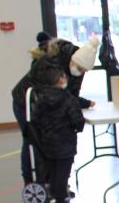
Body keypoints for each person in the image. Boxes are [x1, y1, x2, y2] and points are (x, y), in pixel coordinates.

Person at [11, 37, 96, 184]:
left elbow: (70, 95)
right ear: (73, 61)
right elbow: (51, 95)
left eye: (84, 71)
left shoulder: (78, 68)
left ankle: (54, 183)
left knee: (50, 141)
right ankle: (31, 181)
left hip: (45, 103)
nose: (80, 72)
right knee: (32, 139)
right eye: (80, 68)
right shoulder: (51, 63)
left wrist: (83, 103)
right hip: (25, 101)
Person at [31, 65, 85, 203]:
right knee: (63, 172)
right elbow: (77, 119)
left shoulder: (41, 98)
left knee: (53, 170)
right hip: (65, 140)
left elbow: (35, 118)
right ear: (60, 79)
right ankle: (61, 201)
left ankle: (55, 196)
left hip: (47, 141)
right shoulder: (67, 98)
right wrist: (77, 128)